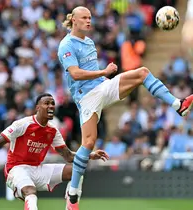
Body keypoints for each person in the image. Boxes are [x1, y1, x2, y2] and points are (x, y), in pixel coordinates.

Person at [57, 6, 193, 210]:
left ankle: (178, 105)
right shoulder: (66, 44)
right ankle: (73, 194)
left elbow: (94, 72)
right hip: (87, 97)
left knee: (143, 73)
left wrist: (104, 76)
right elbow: (75, 74)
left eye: (90, 17)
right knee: (88, 143)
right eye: (84, 18)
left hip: (102, 86)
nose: (88, 21)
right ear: (73, 20)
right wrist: (104, 71)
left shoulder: (90, 42)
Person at [0, 93, 108, 210]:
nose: (51, 106)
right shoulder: (23, 124)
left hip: (37, 169)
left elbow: (68, 156)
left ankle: (71, 205)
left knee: (76, 170)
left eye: (53, 103)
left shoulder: (52, 130)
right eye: (47, 103)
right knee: (30, 192)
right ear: (38, 107)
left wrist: (90, 155)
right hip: (16, 169)